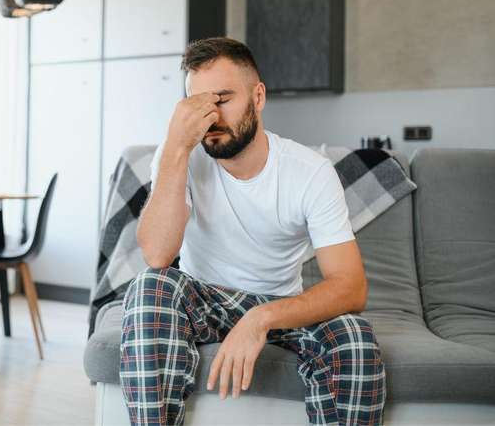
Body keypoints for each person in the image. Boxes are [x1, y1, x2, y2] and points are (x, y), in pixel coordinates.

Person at [120, 37, 386, 426]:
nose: (210, 117)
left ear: (258, 97)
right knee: (150, 286)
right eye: (197, 104)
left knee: (354, 335)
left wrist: (261, 317)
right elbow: (158, 255)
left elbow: (350, 287)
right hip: (203, 301)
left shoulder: (309, 172)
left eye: (222, 99)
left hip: (279, 305)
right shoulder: (179, 154)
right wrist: (176, 147)